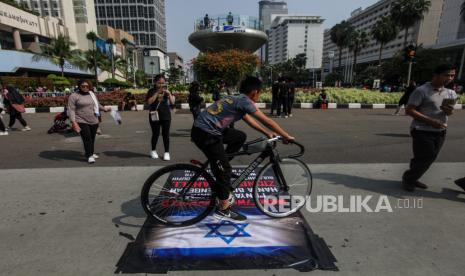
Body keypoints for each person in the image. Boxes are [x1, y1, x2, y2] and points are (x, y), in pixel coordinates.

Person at [191, 76, 295, 222]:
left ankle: (220, 163)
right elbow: (268, 121)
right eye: (259, 93)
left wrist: (267, 133)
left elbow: (249, 119)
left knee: (239, 137)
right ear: (254, 92)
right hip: (206, 133)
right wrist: (286, 136)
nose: (259, 96)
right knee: (225, 170)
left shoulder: (236, 98)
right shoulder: (245, 101)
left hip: (207, 129)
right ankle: (223, 209)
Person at [402, 64, 457, 192]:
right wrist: (430, 121)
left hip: (441, 130)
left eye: (452, 75)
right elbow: (409, 110)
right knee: (428, 156)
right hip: (421, 129)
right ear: (436, 75)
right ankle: (408, 179)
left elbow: (449, 113)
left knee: (425, 157)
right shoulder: (421, 90)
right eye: (446, 75)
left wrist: (448, 111)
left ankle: (413, 177)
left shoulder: (451, 93)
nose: (449, 78)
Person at [68, 80, 111, 164]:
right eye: (83, 86)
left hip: (94, 120)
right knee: (87, 138)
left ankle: (91, 152)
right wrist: (73, 122)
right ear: (79, 86)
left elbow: (97, 105)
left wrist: (105, 109)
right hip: (81, 120)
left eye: (87, 86)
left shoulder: (91, 94)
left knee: (92, 138)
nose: (85, 87)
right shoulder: (74, 96)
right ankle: (89, 156)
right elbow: (71, 109)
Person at [146, 74, 175, 161]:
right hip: (154, 115)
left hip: (166, 115)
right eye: (159, 83)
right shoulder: (151, 91)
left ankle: (167, 152)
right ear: (155, 82)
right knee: (156, 134)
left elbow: (172, 102)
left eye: (163, 83)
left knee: (166, 135)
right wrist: (156, 93)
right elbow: (149, 102)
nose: (161, 85)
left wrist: (169, 94)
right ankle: (153, 150)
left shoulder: (167, 91)